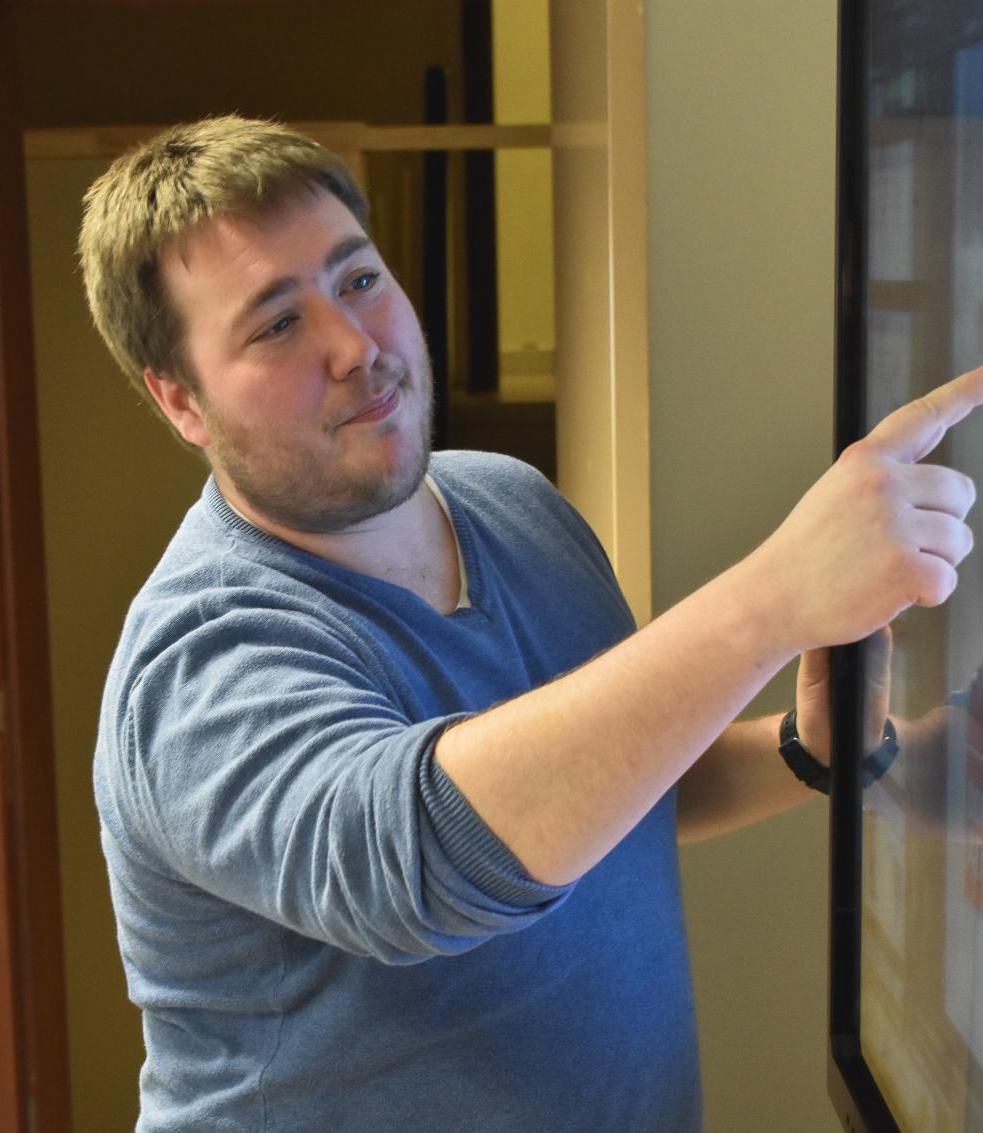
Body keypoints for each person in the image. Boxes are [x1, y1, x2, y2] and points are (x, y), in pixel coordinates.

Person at [81, 114, 983, 1132]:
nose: (353, 345)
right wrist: (772, 599)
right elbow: (427, 857)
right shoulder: (202, 658)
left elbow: (598, 790)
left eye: (359, 278)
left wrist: (812, 751)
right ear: (181, 401)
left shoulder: (510, 501)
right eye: (277, 324)